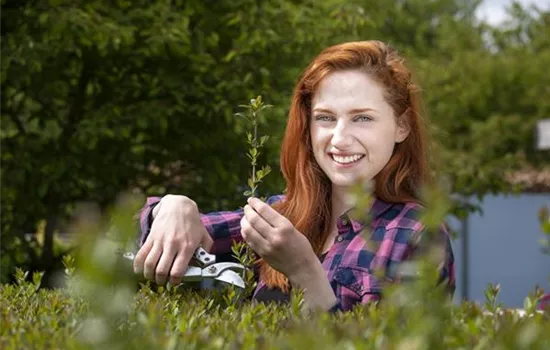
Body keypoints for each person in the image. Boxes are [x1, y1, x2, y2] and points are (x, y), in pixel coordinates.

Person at [133, 40, 456, 313]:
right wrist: (174, 208)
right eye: (326, 118)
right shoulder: (282, 217)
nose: (340, 138)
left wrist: (304, 270)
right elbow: (184, 236)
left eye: (362, 118)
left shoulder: (417, 234)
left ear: (402, 126)